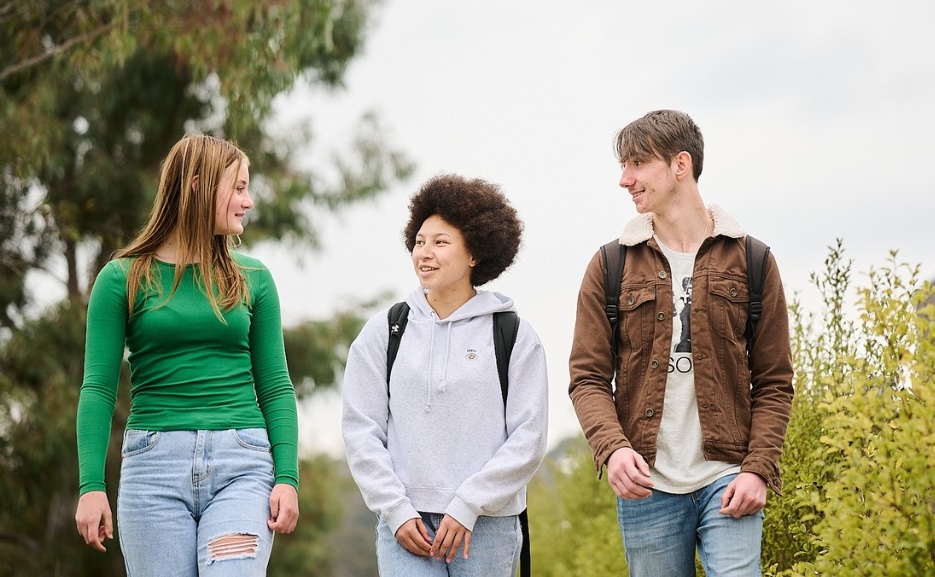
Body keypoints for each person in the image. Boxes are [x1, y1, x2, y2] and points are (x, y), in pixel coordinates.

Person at [568, 110, 794, 576]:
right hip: (648, 484)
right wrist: (612, 449)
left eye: (636, 164)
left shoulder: (753, 259)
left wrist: (758, 469)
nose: (624, 179)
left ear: (680, 164)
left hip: (729, 477)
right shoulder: (610, 265)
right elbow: (587, 378)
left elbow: (774, 382)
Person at [74, 134, 300, 575]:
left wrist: (287, 476)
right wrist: (90, 485)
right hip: (152, 469)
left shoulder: (253, 278)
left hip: (243, 465)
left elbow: (275, 386)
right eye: (237, 188)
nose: (248, 201)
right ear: (198, 186)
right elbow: (98, 389)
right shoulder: (121, 278)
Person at [342, 174, 548, 576]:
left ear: (475, 253)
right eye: (419, 241)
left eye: (440, 242)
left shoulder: (513, 336)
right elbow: (360, 429)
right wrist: (396, 510)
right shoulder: (384, 331)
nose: (425, 252)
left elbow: (529, 437)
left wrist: (468, 504)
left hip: (487, 525)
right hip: (407, 526)